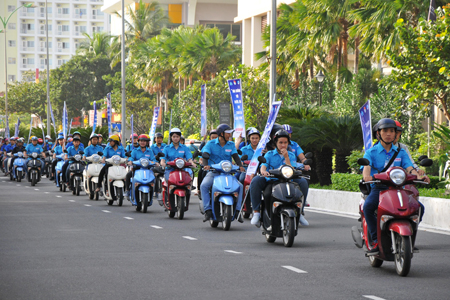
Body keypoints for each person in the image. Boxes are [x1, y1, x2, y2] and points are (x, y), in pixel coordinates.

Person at [362, 118, 429, 255]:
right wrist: (367, 176)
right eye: (385, 131)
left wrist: (419, 176)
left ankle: (409, 238)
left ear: (395, 134)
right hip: (380, 188)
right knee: (368, 207)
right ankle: (375, 239)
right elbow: (366, 167)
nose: (389, 134)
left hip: (399, 188)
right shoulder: (371, 152)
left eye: (392, 131)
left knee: (419, 208)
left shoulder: (401, 152)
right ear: (378, 134)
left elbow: (410, 168)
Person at [249, 130, 310, 226]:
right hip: (272, 181)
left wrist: (286, 157)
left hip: (288, 180)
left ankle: (300, 212)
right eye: (280, 142)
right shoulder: (269, 154)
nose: (283, 145)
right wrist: (263, 171)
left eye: (285, 142)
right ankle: (256, 212)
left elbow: (292, 169)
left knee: (303, 182)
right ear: (276, 143)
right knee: (256, 181)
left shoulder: (291, 155)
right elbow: (263, 166)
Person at [200, 124, 245, 223]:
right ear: (221, 134)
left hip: (227, 173)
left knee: (240, 186)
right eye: (228, 133)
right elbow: (205, 155)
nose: (230, 135)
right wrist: (206, 165)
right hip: (214, 172)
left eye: (230, 133)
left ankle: (238, 211)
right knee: (204, 185)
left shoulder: (231, 144)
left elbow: (235, 156)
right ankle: (207, 210)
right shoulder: (210, 144)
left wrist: (240, 166)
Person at [160, 128, 196, 205]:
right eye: (174, 136)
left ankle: (187, 193)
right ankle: (167, 198)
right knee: (168, 181)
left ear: (180, 137)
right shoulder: (167, 148)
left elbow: (189, 158)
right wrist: (163, 163)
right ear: (171, 137)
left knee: (187, 181)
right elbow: (163, 159)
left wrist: (192, 163)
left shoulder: (184, 148)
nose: (175, 138)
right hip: (170, 170)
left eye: (177, 136)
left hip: (182, 170)